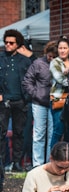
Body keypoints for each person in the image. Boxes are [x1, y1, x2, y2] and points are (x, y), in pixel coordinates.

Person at [0, 29, 36, 173]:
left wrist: (27, 96)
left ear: (18, 44)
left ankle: (17, 162)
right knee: (1, 132)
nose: (8, 45)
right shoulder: (1, 58)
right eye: (6, 42)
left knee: (19, 133)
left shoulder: (25, 60)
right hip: (4, 100)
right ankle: (2, 162)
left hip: (21, 100)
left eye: (11, 43)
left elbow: (36, 72)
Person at [22, 41, 58, 168]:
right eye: (50, 56)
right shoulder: (38, 63)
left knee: (52, 133)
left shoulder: (60, 64)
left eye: (54, 56)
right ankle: (37, 164)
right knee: (39, 133)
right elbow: (27, 81)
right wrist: (35, 94)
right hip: (39, 102)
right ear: (46, 53)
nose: (52, 59)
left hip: (55, 103)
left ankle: (49, 163)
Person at [49, 36, 69, 151]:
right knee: (58, 130)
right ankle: (52, 160)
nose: (62, 50)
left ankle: (67, 160)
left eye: (65, 48)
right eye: (60, 48)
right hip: (58, 100)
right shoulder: (54, 62)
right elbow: (61, 80)